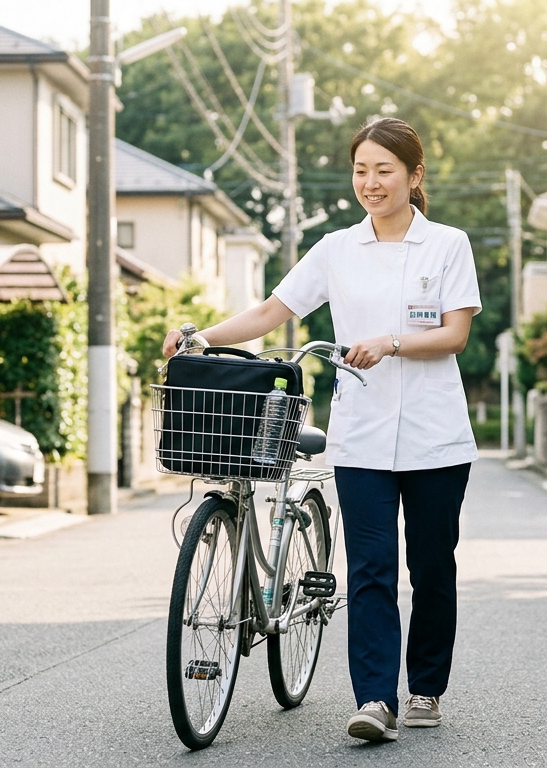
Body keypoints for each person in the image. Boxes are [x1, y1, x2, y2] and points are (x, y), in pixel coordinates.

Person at [161, 117, 480, 744]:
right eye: (361, 170)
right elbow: (272, 311)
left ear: (414, 176)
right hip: (360, 436)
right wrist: (202, 335)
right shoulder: (336, 248)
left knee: (433, 568)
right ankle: (375, 701)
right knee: (370, 570)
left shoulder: (448, 244)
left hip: (435, 434)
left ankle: (424, 689)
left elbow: (455, 335)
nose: (370, 182)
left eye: (384, 170)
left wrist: (390, 343)